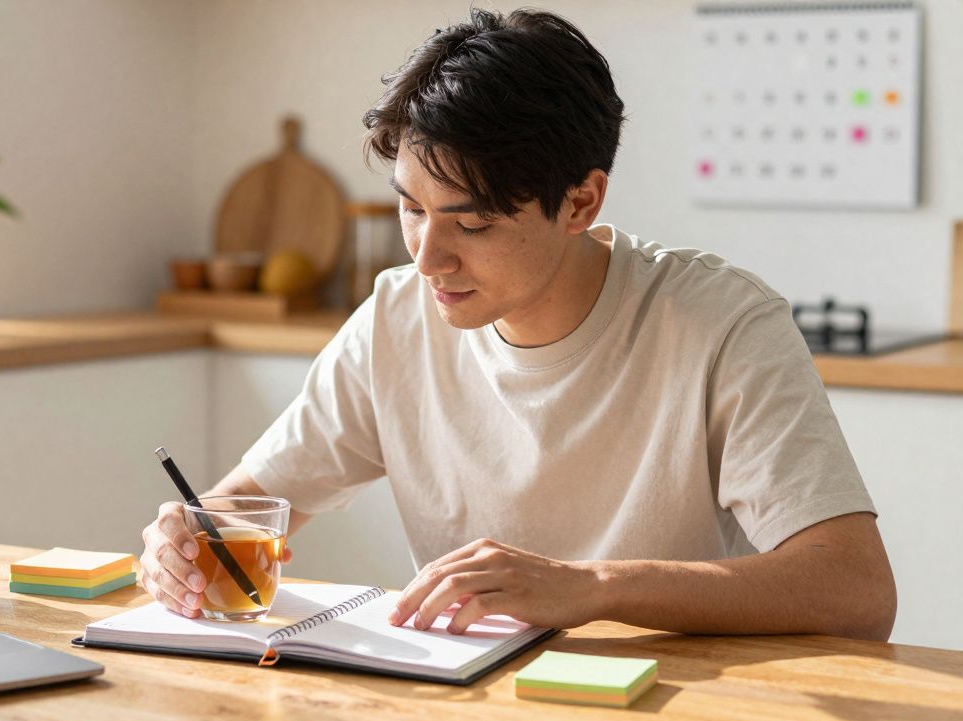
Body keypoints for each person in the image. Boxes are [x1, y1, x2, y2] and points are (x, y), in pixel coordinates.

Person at [140, 7, 896, 640]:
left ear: (581, 202)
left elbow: (857, 590)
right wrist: (180, 542)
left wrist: (594, 586)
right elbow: (242, 507)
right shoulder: (397, 320)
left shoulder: (720, 323)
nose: (428, 258)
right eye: (411, 208)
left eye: (470, 225)